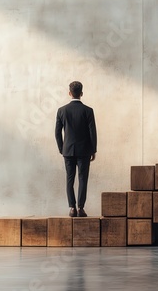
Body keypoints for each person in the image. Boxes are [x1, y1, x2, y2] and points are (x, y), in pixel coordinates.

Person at [55, 81, 97, 217]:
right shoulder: (88, 111)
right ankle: (81, 208)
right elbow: (93, 132)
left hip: (68, 150)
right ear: (81, 93)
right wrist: (93, 149)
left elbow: (57, 132)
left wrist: (62, 148)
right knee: (83, 179)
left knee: (70, 179)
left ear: (69, 93)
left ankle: (72, 207)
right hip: (84, 151)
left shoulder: (62, 110)